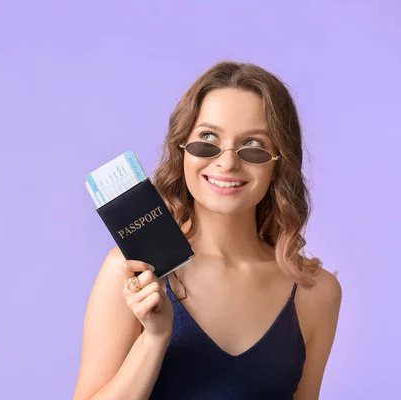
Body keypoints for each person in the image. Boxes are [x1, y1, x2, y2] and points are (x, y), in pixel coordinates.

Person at [73, 61, 342, 400]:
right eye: (208, 139)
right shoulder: (132, 271)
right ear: (182, 149)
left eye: (254, 145)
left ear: (279, 163)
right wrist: (154, 339)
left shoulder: (317, 293)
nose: (228, 162)